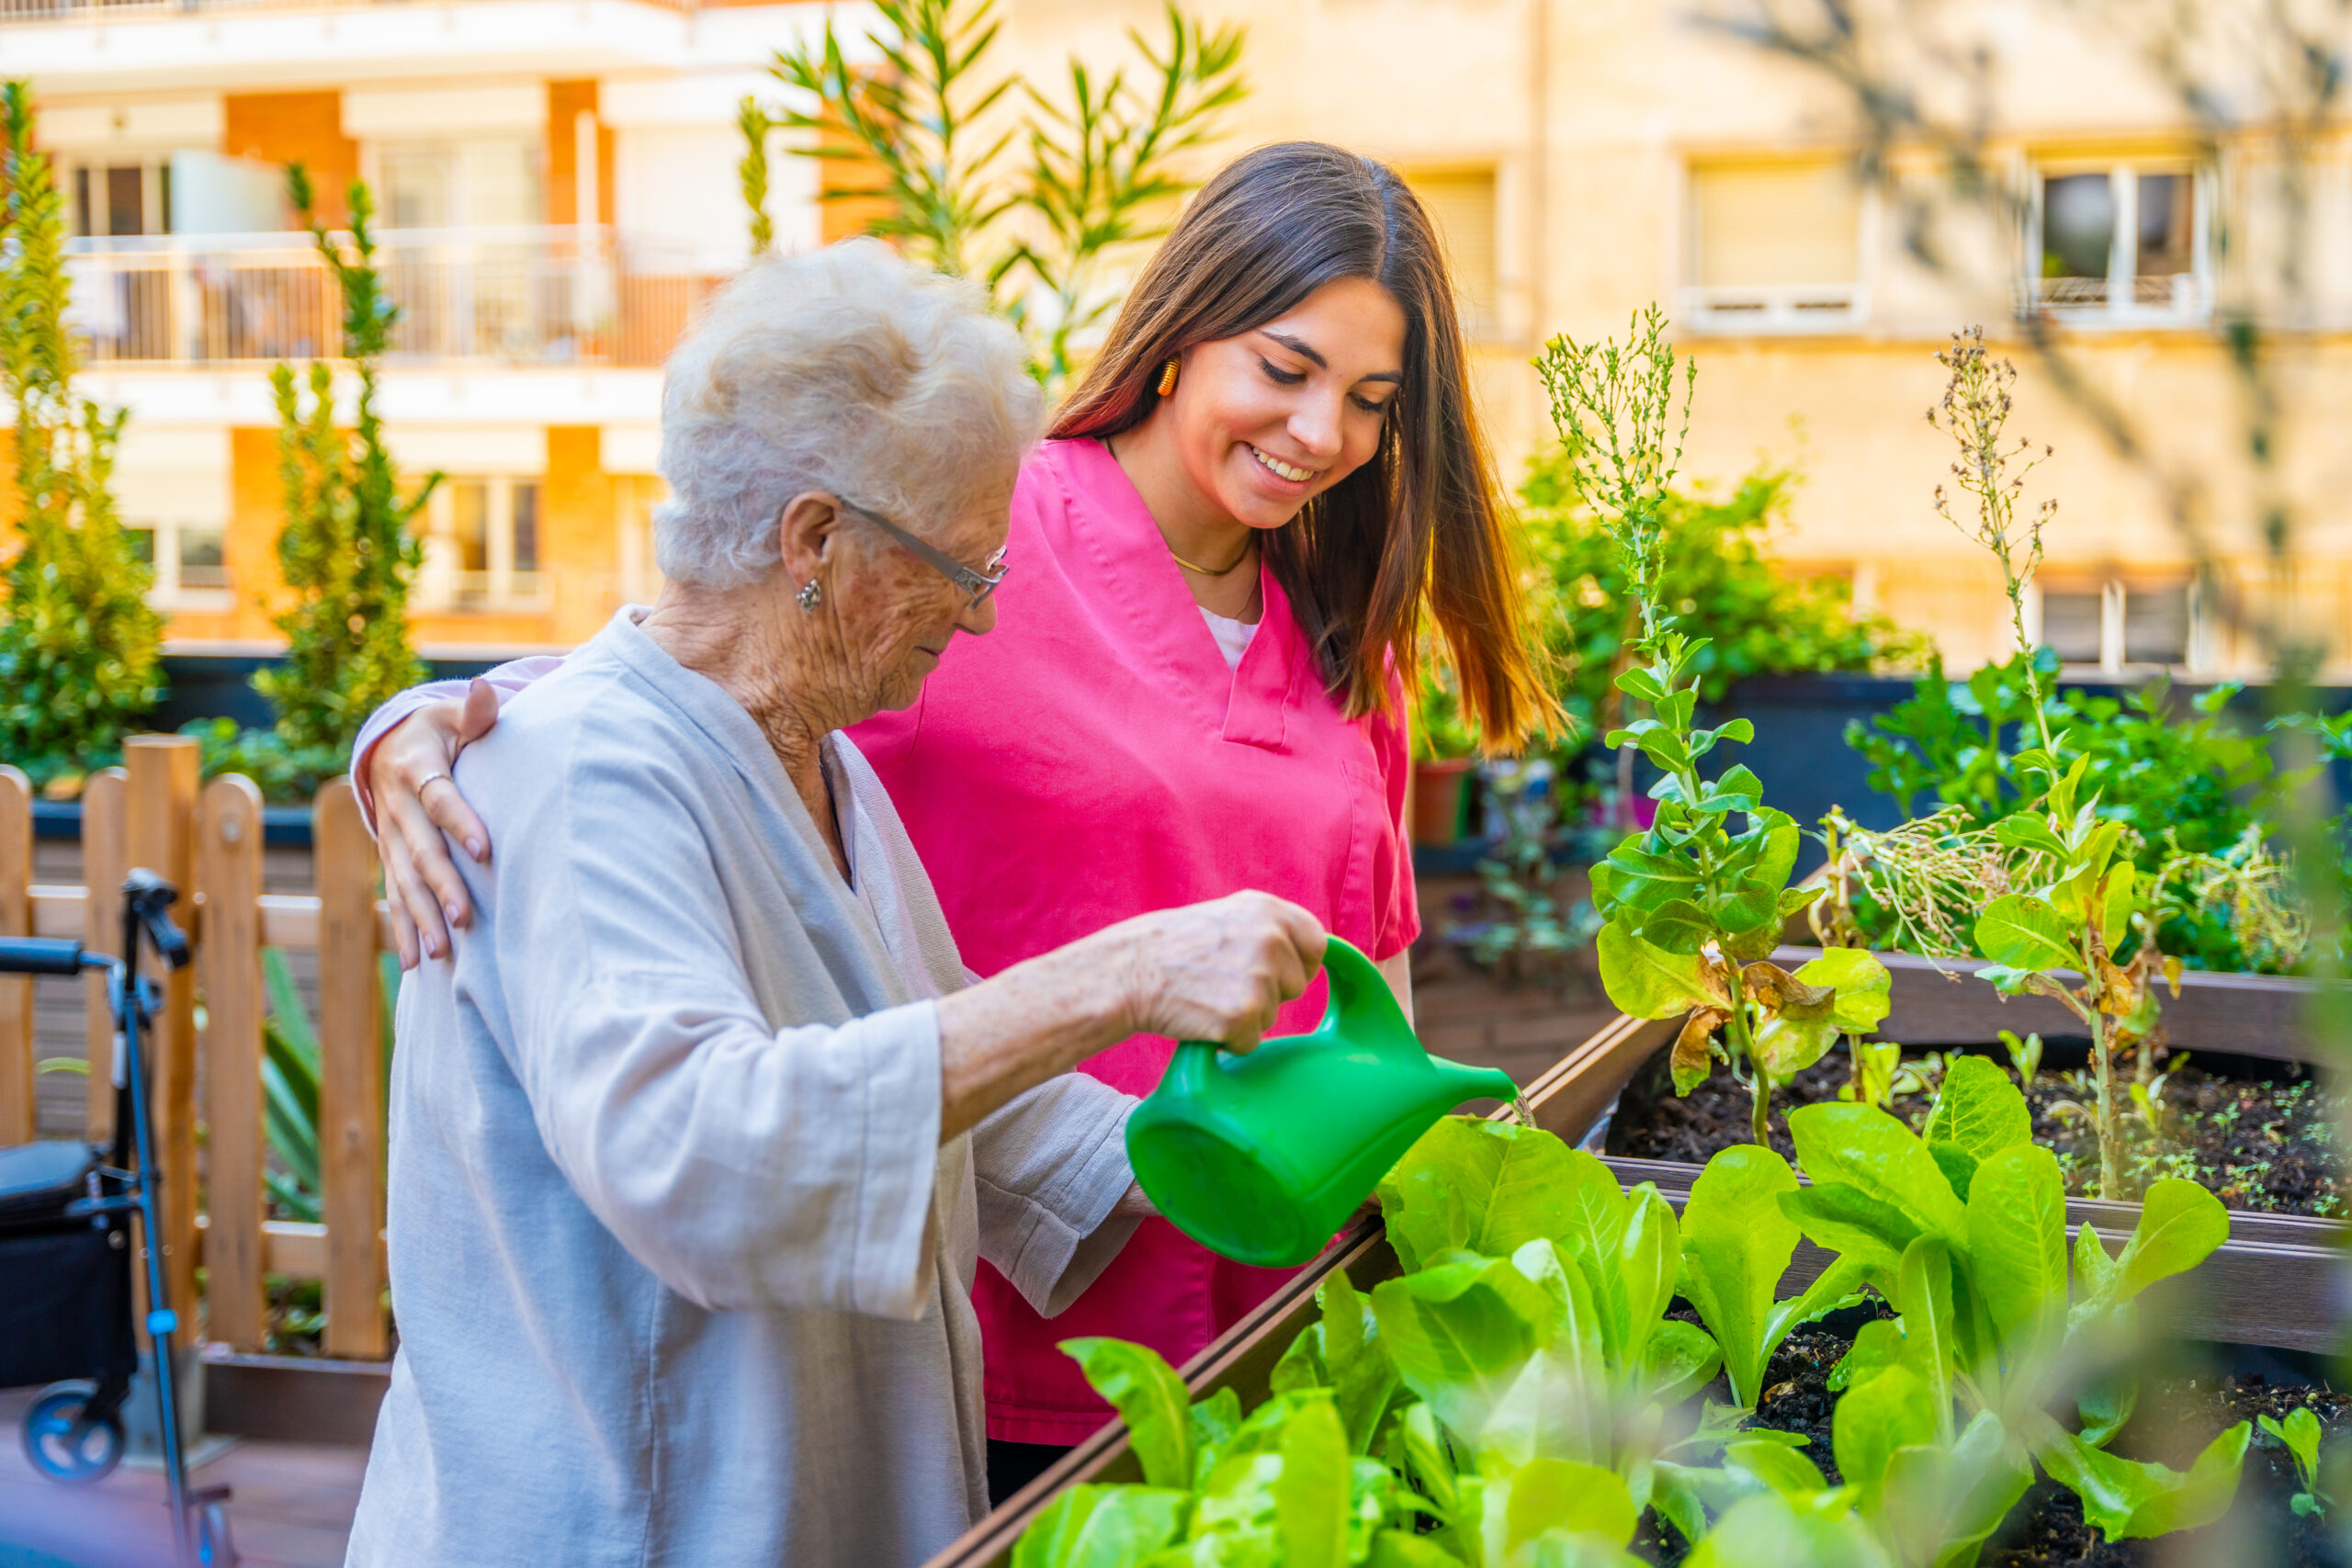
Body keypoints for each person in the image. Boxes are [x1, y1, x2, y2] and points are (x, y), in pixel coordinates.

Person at [356, 141, 1549, 1502]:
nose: (1324, 431)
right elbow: (668, 678)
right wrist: (423, 722)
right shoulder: (968, 518)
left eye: (1371, 401)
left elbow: (1359, 999)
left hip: (1256, 1312)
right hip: (1001, 1348)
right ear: (1184, 333)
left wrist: (1358, 1170)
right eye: (1285, 369)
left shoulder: (1337, 647)